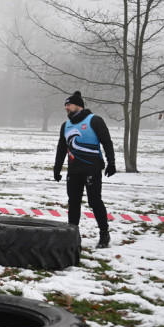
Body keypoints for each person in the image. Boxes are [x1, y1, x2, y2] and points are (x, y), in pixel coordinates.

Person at [54, 90, 116, 248]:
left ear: (79, 106)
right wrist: (57, 168)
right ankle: (72, 235)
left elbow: (107, 142)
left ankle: (104, 234)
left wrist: (111, 163)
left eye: (69, 105)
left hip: (92, 170)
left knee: (94, 202)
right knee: (73, 203)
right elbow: (61, 148)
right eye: (65, 105)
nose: (66, 108)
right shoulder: (65, 126)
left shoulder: (94, 120)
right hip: (73, 171)